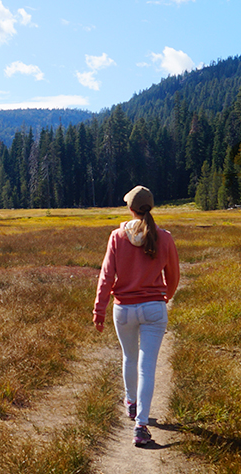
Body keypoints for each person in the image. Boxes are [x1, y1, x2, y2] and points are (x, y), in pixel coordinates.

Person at [93, 186, 180, 447]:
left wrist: (99, 310)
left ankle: (131, 404)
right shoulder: (164, 237)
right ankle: (141, 425)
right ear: (150, 208)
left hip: (124, 309)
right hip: (154, 308)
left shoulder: (117, 237)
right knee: (147, 366)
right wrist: (166, 297)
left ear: (130, 209)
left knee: (129, 358)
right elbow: (173, 276)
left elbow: (106, 277)